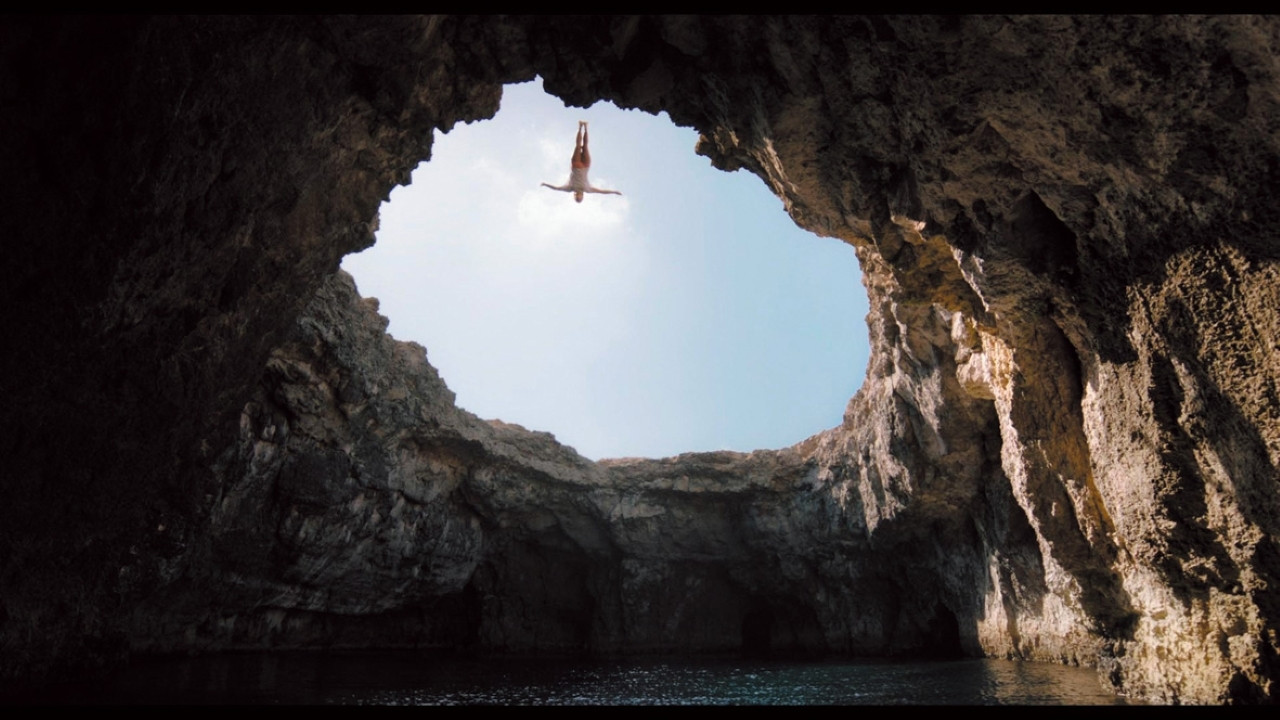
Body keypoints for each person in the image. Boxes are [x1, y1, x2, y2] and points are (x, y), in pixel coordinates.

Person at [541, 121, 622, 203]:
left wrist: (545, 184)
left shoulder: (570, 188)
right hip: (586, 165)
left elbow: (556, 188)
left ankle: (580, 127)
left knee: (578, 146)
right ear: (582, 196)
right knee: (585, 146)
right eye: (580, 197)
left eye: (577, 197)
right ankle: (586, 127)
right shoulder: (587, 189)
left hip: (576, 165)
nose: (578, 196)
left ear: (575, 195)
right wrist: (614, 192)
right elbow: (602, 192)